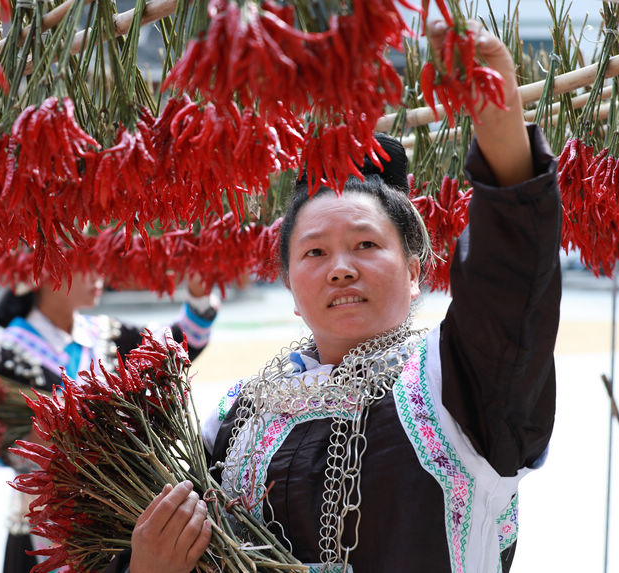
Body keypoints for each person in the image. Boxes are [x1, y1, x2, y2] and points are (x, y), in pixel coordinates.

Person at [106, 20, 561, 573]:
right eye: (314, 253)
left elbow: (510, 294)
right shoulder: (235, 415)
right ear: (292, 290)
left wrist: (500, 127)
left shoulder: (458, 387)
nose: (340, 269)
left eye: (366, 244)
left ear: (414, 272)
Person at [0, 272, 220, 573]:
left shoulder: (105, 335)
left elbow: (178, 344)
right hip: (43, 527)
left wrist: (199, 297)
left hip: (114, 520)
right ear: (42, 272)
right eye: (85, 262)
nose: (99, 274)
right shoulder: (6, 352)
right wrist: (26, 446)